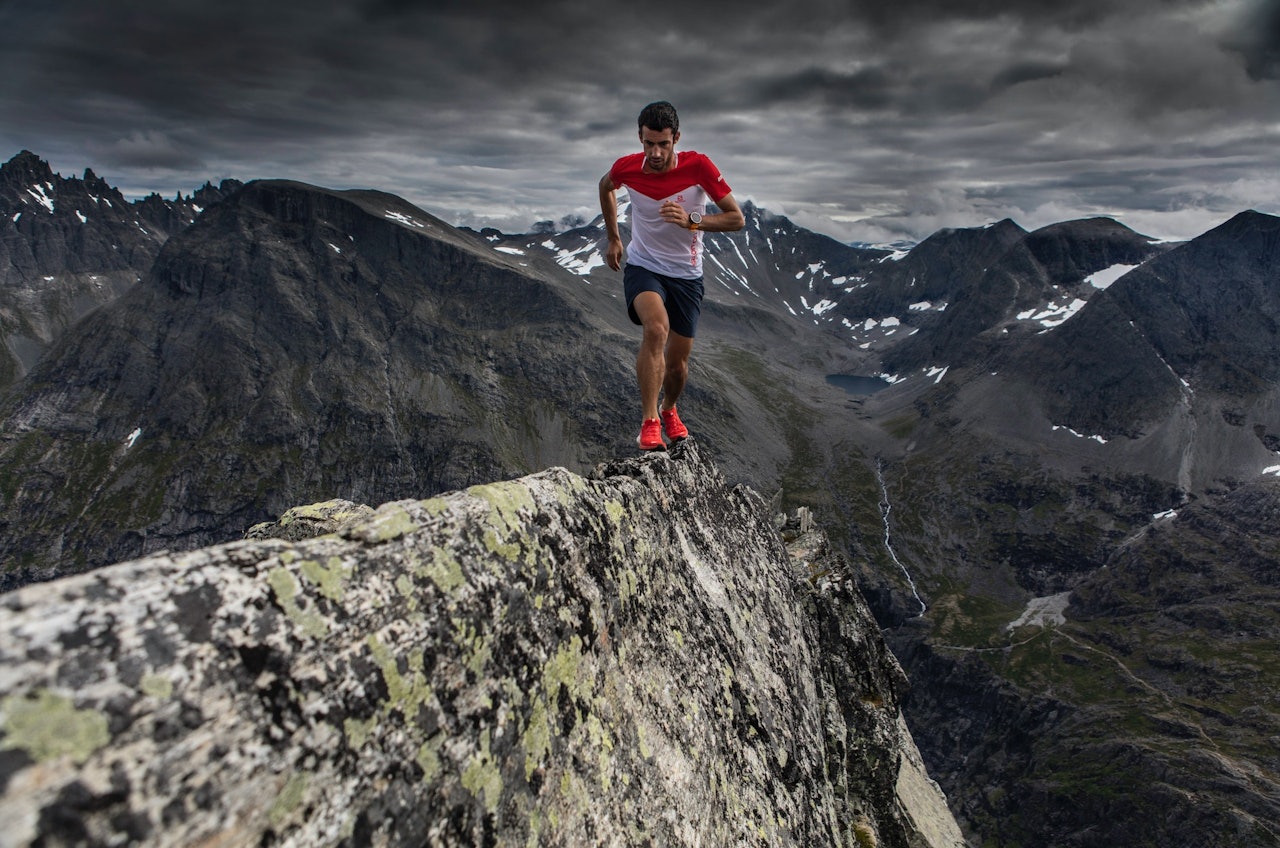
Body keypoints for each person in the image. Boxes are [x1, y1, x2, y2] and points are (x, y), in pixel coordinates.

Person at [598, 101, 745, 451]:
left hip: (687, 275)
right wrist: (614, 238)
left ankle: (668, 408)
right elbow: (605, 187)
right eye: (649, 144)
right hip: (644, 266)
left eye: (663, 144)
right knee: (656, 328)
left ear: (676, 138)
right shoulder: (628, 168)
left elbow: (736, 218)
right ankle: (649, 423)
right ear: (640, 138)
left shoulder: (699, 166)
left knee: (678, 366)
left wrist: (692, 221)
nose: (656, 152)